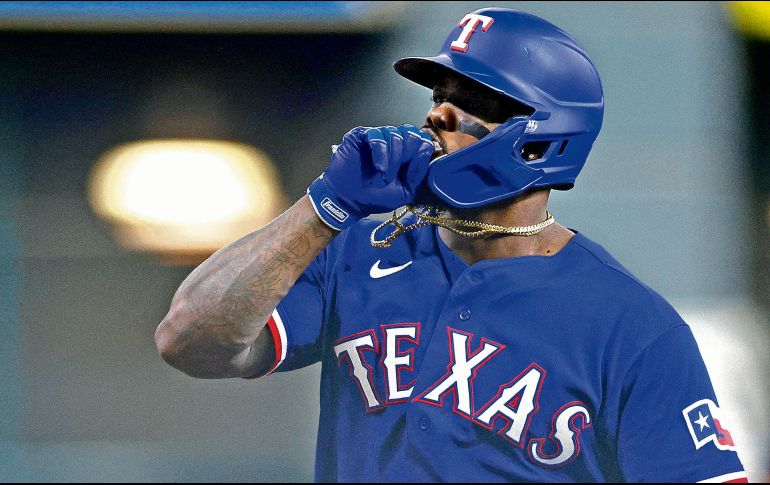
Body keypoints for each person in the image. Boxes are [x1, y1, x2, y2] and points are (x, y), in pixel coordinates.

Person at [154, 8, 748, 483]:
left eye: (473, 99)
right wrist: (323, 208)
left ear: (543, 139)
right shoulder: (357, 251)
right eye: (438, 91)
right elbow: (188, 341)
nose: (439, 112)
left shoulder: (633, 326)